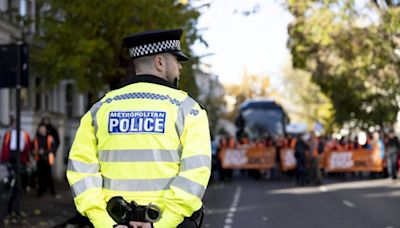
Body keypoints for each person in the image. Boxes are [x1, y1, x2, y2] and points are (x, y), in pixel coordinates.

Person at [66, 29, 211, 228]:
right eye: (177, 61)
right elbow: (196, 174)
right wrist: (161, 224)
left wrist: (105, 222)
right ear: (160, 62)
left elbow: (81, 171)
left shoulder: (99, 109)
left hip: (114, 221)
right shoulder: (188, 110)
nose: (179, 68)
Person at [0, 118, 31, 215]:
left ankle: (13, 205)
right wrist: (4, 159)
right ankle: (10, 205)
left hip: (21, 161)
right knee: (13, 182)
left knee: (18, 183)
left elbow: (28, 147)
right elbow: (5, 147)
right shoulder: (8, 134)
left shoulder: (24, 134)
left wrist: (27, 160)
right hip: (11, 160)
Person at [33, 124, 56, 197]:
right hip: (39, 160)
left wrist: (44, 151)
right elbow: (32, 148)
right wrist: (34, 152)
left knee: (48, 177)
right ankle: (40, 192)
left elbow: (53, 148)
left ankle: (52, 192)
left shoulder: (50, 138)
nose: (42, 131)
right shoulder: (36, 139)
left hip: (47, 160)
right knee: (40, 177)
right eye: (40, 129)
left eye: (43, 129)